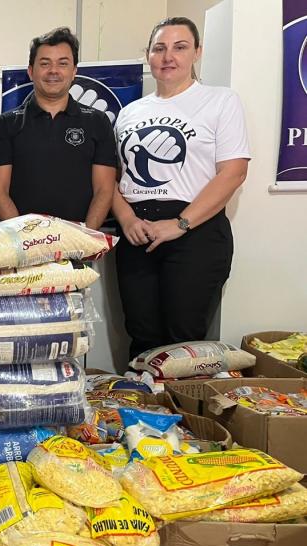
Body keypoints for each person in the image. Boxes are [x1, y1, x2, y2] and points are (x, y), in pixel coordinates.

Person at [112, 17, 249, 359]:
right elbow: (111, 180)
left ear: (197, 53)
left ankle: (184, 412)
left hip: (194, 230)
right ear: (148, 55)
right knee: (142, 335)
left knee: (184, 339)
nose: (167, 56)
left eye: (180, 47)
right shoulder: (129, 113)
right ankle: (144, 412)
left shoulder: (219, 101)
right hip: (137, 231)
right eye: (159, 48)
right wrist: (127, 219)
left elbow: (233, 172)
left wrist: (181, 223)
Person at [0, 27, 116, 229]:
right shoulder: (7, 124)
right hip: (22, 248)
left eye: (62, 64)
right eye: (45, 63)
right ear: (31, 71)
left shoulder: (98, 122)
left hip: (78, 246)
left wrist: (85, 238)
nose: (53, 71)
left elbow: (104, 190)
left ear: (74, 71)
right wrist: (24, 239)